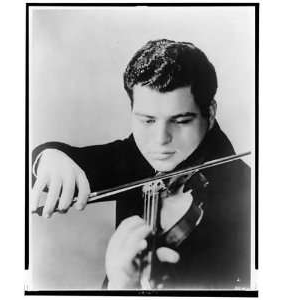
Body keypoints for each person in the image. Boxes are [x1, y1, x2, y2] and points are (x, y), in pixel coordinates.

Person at [31, 39, 251, 290]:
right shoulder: (135, 154)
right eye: (147, 121)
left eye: (180, 121)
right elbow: (55, 160)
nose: (160, 141)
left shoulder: (249, 199)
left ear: (209, 114)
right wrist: (49, 158)